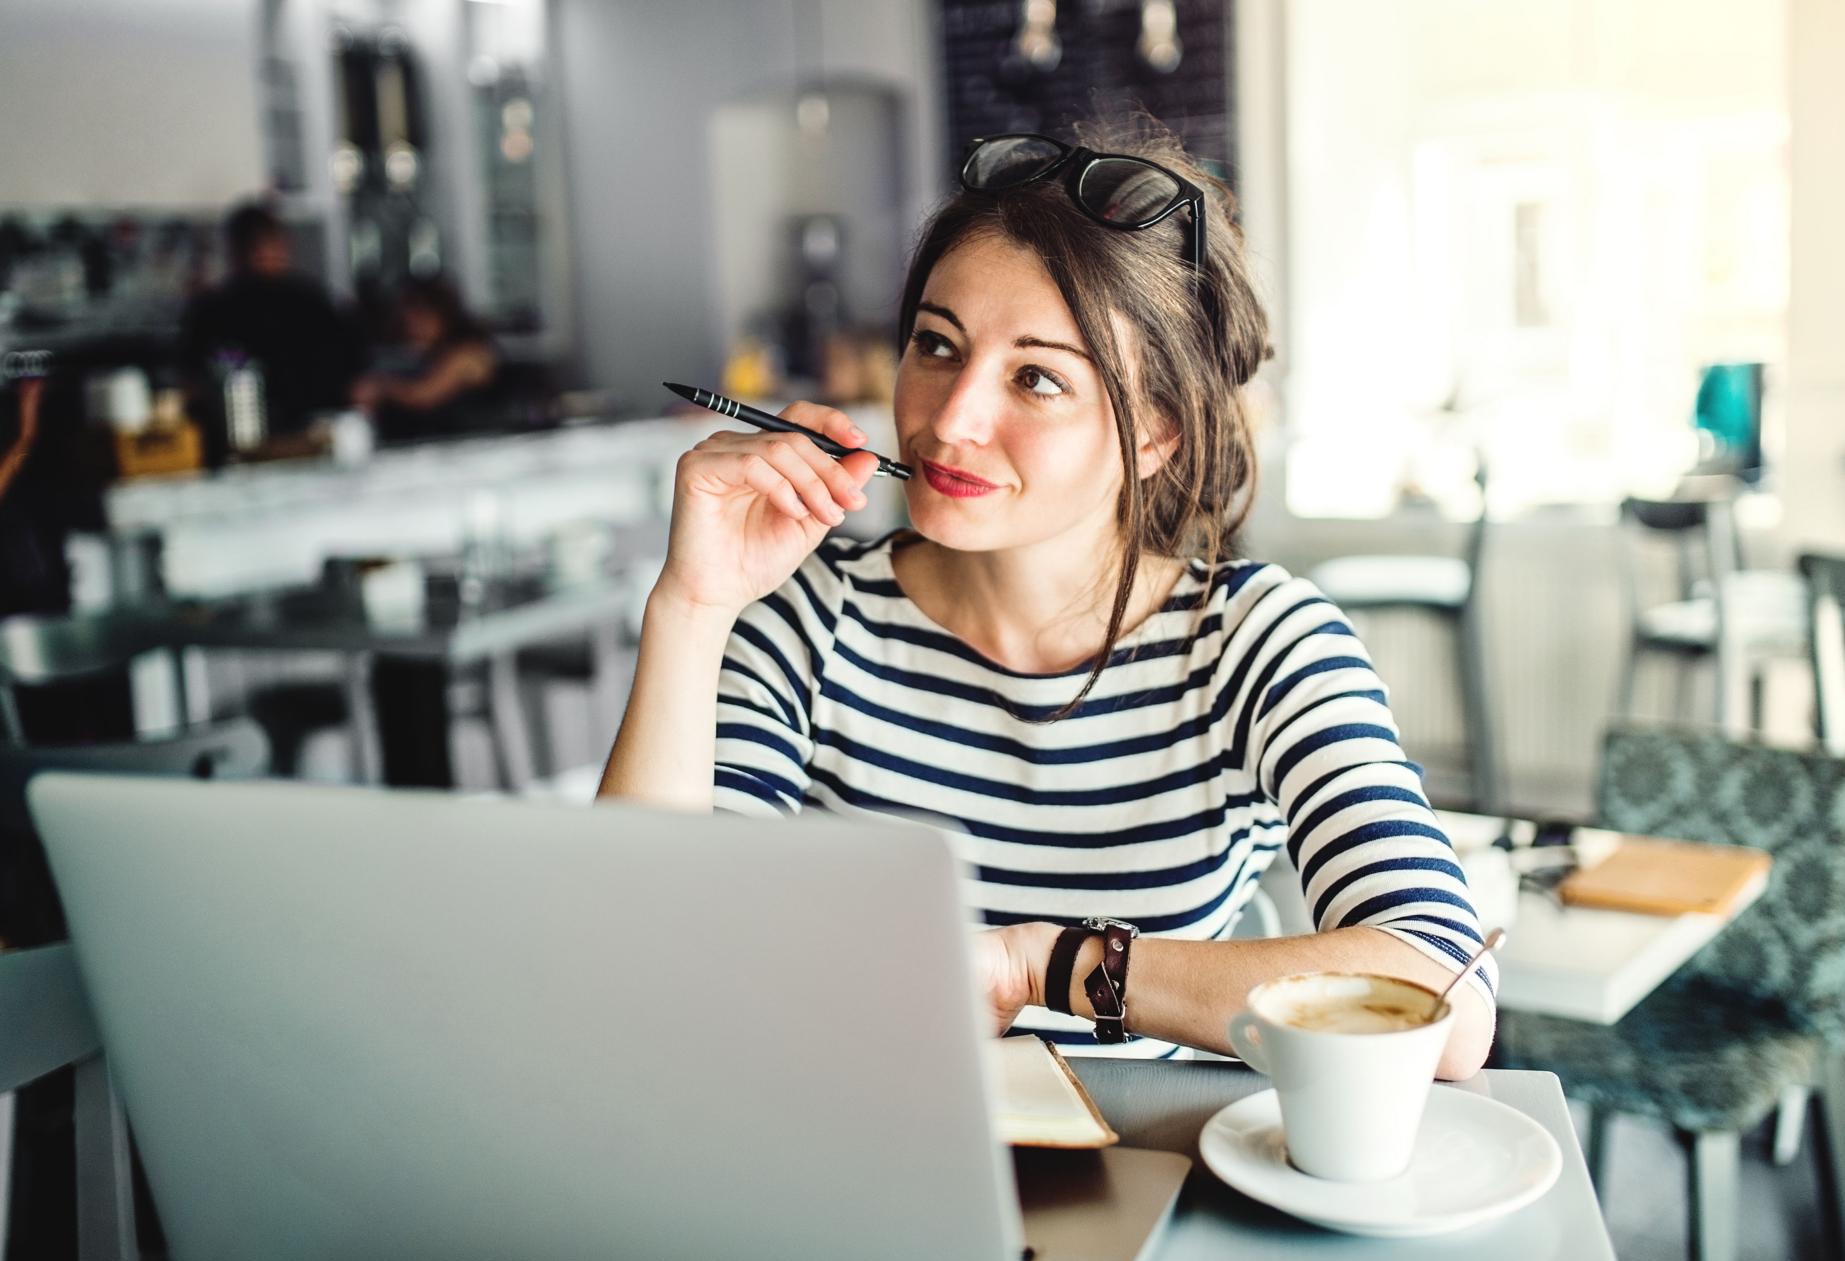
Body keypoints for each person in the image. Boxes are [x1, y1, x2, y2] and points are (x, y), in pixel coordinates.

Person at [598, 122, 1496, 1074]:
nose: (952, 418)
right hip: (848, 1145)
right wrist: (693, 605)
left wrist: (1045, 965)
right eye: (936, 346)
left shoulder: (1256, 641)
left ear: (1156, 435)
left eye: (1036, 378)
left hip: (1144, 1171)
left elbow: (1441, 991)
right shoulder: (808, 617)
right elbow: (637, 958)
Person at [179, 201, 364, 453]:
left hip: (315, 432)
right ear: (235, 251)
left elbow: (355, 371)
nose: (262, 254)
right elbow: (191, 378)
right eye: (253, 247)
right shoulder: (214, 311)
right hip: (240, 439)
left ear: (284, 246)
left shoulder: (313, 303)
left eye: (268, 244)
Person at [351, 276, 499, 441]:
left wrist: (382, 387)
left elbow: (425, 395)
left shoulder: (468, 352)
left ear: (441, 314)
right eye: (407, 323)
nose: (413, 329)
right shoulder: (432, 351)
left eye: (421, 321)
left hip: (476, 444)